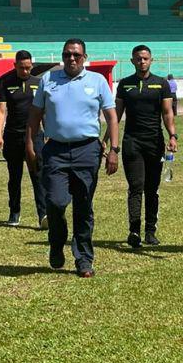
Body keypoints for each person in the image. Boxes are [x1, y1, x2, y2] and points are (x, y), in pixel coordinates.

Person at [26, 38, 118, 278]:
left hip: (87, 150)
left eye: (76, 55)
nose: (72, 58)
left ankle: (84, 259)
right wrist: (29, 145)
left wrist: (114, 150)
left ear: (84, 57)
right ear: (62, 56)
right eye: (67, 54)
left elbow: (111, 117)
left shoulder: (97, 81)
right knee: (55, 202)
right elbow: (34, 115)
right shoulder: (48, 80)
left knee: (83, 205)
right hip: (55, 151)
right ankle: (57, 242)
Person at [109, 45, 178, 248]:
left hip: (154, 142)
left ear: (151, 60)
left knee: (152, 188)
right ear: (132, 61)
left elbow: (167, 113)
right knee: (135, 186)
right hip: (132, 142)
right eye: (138, 59)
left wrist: (172, 135)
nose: (142, 62)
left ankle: (150, 231)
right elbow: (116, 116)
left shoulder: (161, 83)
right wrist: (108, 140)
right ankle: (134, 231)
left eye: (145, 58)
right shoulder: (125, 84)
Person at [0, 50, 47, 229]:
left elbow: (43, 111)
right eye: (21, 68)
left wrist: (48, 133)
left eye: (28, 68)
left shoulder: (38, 83)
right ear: (15, 65)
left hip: (35, 136)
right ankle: (14, 212)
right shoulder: (5, 81)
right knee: (14, 177)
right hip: (12, 136)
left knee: (38, 176)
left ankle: (43, 214)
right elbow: (1, 111)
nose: (25, 71)